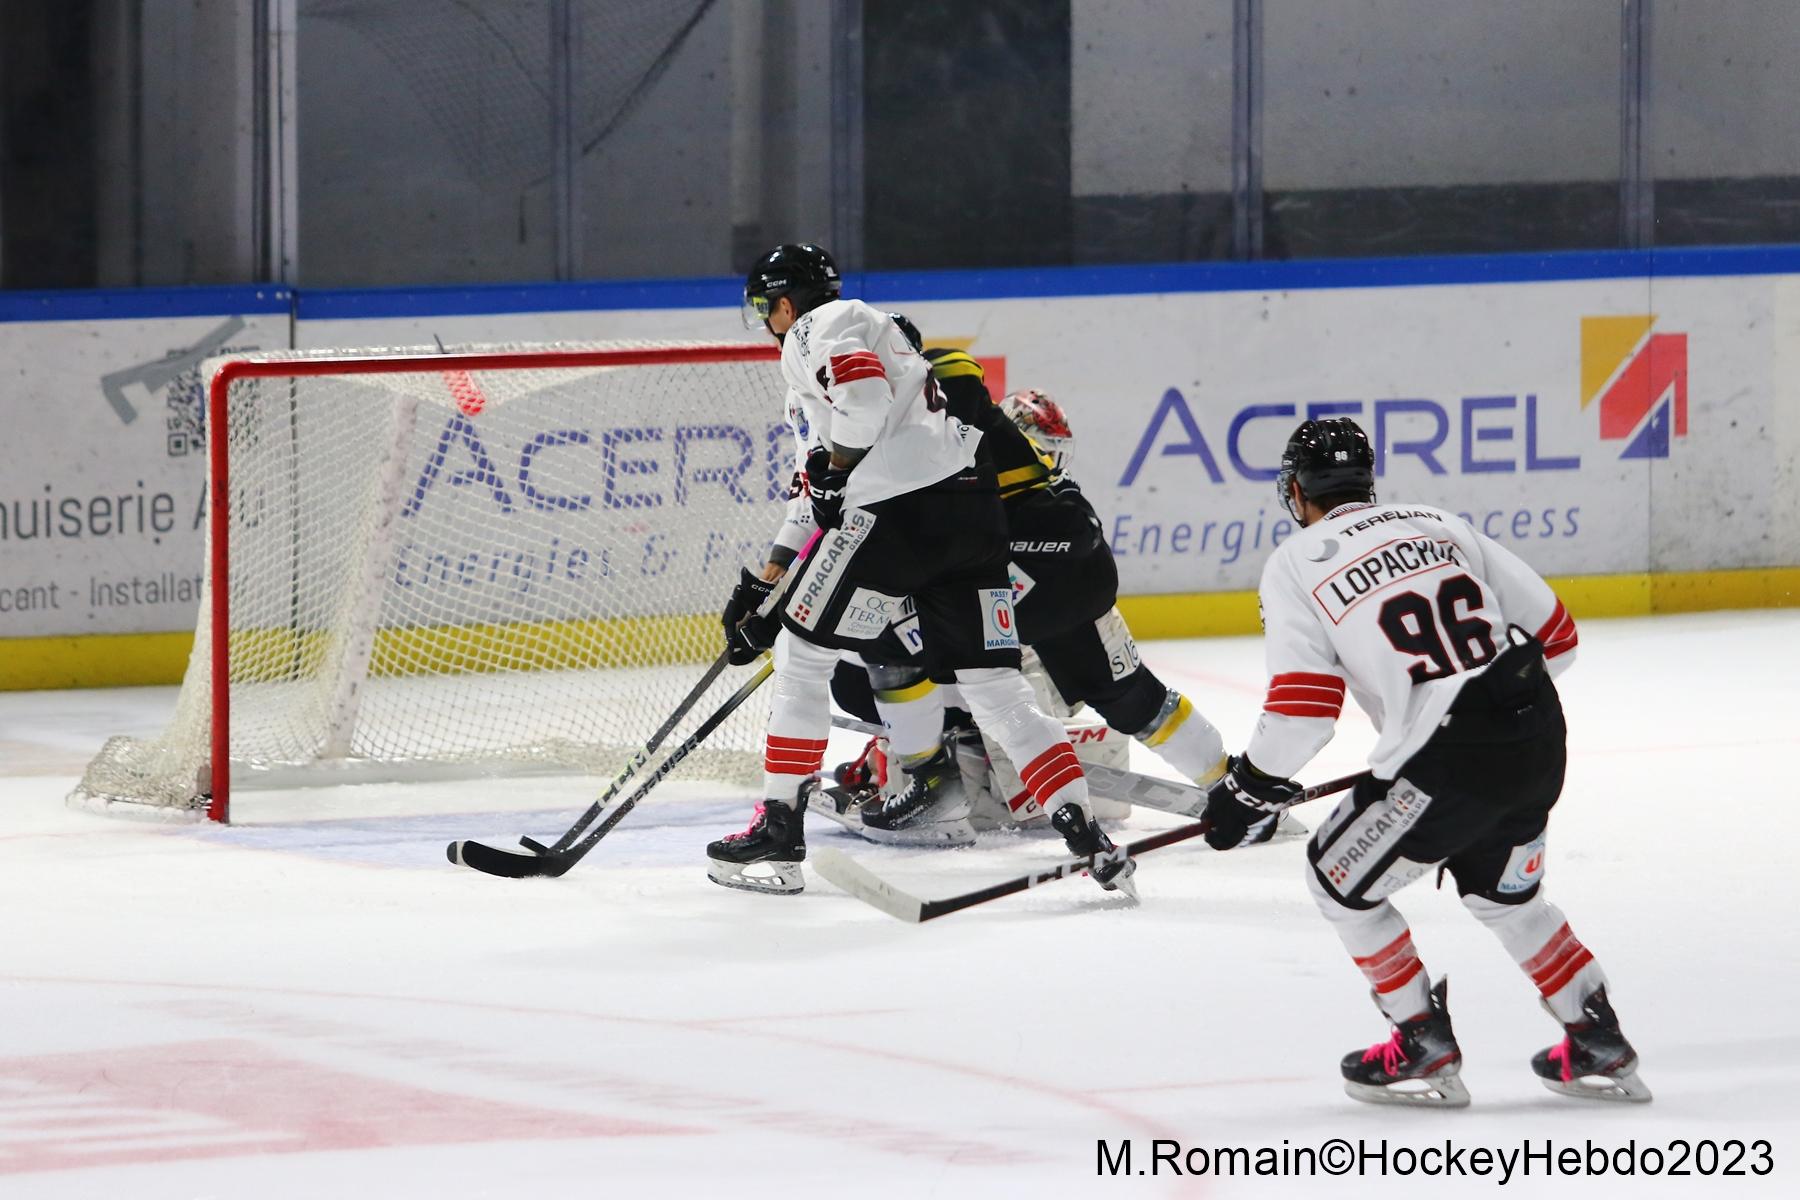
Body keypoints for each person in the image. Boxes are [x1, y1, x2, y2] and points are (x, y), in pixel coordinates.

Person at [1202, 417, 1649, 1107]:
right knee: (1507, 897)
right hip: (1534, 738)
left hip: (1444, 762)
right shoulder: (1438, 522)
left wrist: (1248, 788)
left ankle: (1417, 1038)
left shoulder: (1297, 561)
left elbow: (1304, 707)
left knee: (1335, 880)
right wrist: (1481, 716)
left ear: (1296, 491)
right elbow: (1556, 638)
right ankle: (1596, 1038)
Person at [707, 243, 1132, 897]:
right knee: (998, 691)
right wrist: (764, 579)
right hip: (972, 521)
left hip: (900, 516)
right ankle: (1088, 839)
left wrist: (839, 469)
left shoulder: (823, 324)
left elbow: (863, 411)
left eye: (768, 307)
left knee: (799, 655)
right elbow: (813, 489)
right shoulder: (873, 342)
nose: (766, 319)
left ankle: (779, 834)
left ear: (786, 303)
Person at [823, 316, 1274, 843]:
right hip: (1078, 555)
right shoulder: (935, 395)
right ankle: (1236, 786)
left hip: (1019, 561)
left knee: (879, 643)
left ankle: (931, 776)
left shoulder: (909, 409)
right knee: (1131, 695)